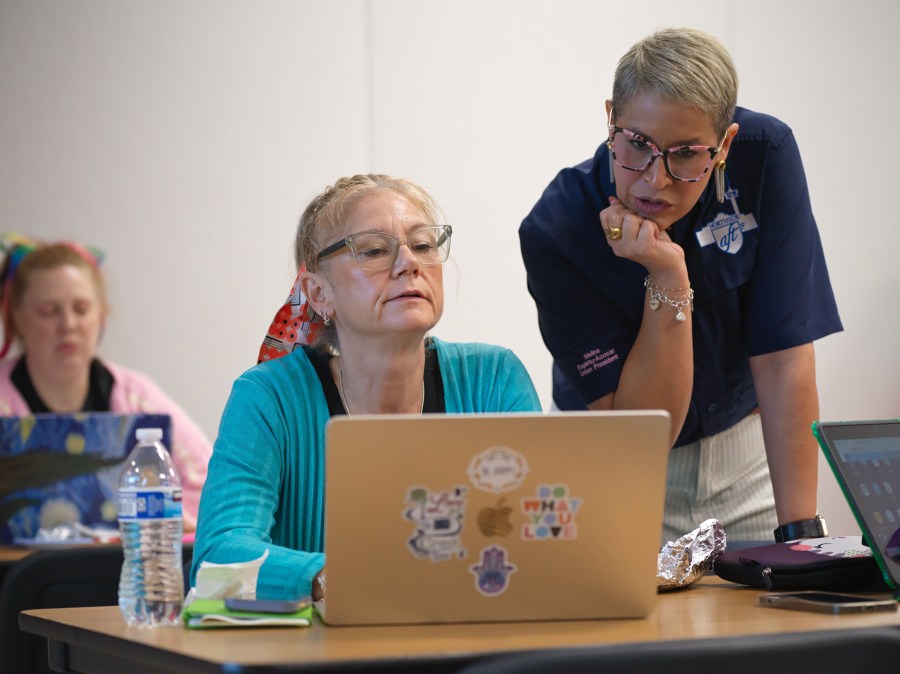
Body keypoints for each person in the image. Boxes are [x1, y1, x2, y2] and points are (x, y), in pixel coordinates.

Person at [519, 28, 842, 544]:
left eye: (687, 154)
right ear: (611, 120)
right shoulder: (557, 230)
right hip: (616, 465)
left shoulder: (766, 155)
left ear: (724, 144)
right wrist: (666, 274)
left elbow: (783, 360)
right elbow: (640, 436)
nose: (655, 180)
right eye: (638, 146)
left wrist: (801, 534)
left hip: (747, 462)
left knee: (783, 615)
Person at [191, 174, 541, 601]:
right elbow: (215, 563)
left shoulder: (494, 379)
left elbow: (536, 537)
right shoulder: (268, 398)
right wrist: (332, 579)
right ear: (318, 293)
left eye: (424, 245)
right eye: (375, 250)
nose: (409, 262)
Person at [0, 234, 212, 530]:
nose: (68, 325)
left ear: (101, 315)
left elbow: (211, 484)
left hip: (119, 571)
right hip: (17, 574)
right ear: (17, 318)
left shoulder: (137, 398)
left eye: (82, 309)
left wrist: (168, 515)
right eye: (49, 312)